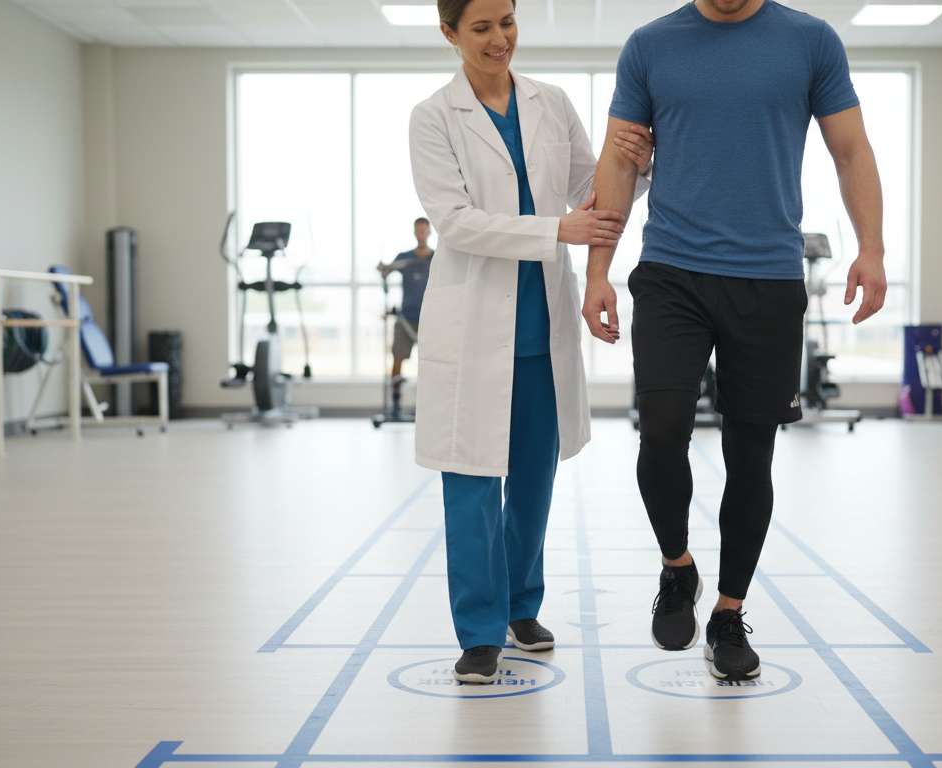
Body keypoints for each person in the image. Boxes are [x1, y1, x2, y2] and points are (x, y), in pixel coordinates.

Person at [584, 0, 886, 682]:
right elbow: (619, 161)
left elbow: (849, 149)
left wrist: (871, 247)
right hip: (670, 272)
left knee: (751, 454)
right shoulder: (650, 45)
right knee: (661, 431)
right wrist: (597, 270)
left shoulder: (809, 41)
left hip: (767, 278)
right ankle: (676, 568)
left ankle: (727, 613)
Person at [409, 0, 654, 682]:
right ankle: (479, 633)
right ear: (449, 33)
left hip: (539, 332)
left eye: (508, 22)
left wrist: (639, 161)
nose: (498, 39)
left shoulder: (549, 102)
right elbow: (455, 222)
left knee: (532, 484)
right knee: (471, 486)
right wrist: (555, 230)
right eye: (481, 27)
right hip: (471, 330)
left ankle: (521, 605)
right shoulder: (433, 116)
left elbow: (594, 190)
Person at [377, 217, 434, 419]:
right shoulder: (405, 258)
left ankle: (431, 406)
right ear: (414, 232)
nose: (421, 235)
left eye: (424, 231)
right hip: (406, 318)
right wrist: (383, 269)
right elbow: (387, 270)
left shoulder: (436, 259)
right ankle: (395, 404)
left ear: (429, 232)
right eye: (418, 231)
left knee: (433, 362)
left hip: (431, 319)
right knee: (398, 359)